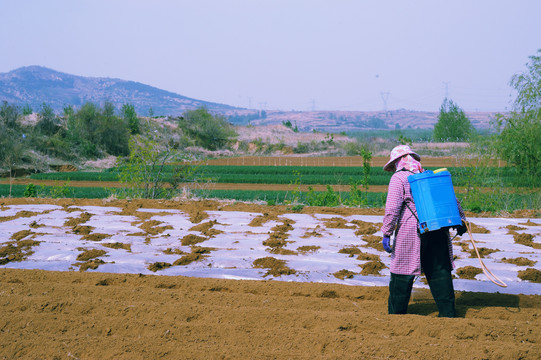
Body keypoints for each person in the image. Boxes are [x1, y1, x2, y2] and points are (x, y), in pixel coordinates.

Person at [380, 145, 467, 317]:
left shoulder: (399, 178)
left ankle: (396, 315)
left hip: (412, 232)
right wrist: (461, 220)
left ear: (398, 162)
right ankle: (448, 314)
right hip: (438, 230)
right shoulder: (429, 176)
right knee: (440, 272)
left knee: (401, 271)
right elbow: (451, 199)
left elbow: (392, 209)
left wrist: (387, 232)